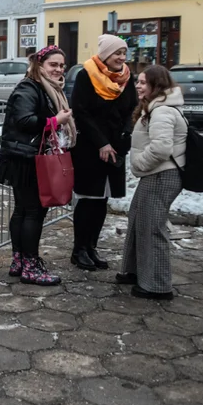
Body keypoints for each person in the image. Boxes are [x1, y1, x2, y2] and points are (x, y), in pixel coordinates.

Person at [0, 45, 73, 286]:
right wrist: (55, 121)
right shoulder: (29, 88)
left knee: (23, 210)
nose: (58, 69)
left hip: (26, 157)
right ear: (39, 65)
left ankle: (19, 260)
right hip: (27, 160)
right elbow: (24, 120)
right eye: (53, 65)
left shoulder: (45, 88)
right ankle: (30, 265)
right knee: (33, 213)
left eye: (61, 65)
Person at [70, 34, 137, 271]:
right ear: (105, 54)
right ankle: (79, 250)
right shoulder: (86, 75)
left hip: (115, 147)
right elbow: (81, 112)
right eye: (116, 53)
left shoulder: (127, 77)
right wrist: (101, 143)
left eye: (123, 53)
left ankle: (91, 247)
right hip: (90, 147)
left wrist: (124, 136)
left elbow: (130, 110)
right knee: (88, 199)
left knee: (103, 201)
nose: (121, 57)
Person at [120, 65, 187, 300]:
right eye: (137, 81)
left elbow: (160, 148)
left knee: (152, 228)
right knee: (138, 218)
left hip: (162, 174)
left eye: (142, 82)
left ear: (156, 85)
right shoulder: (156, 107)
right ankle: (135, 271)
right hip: (156, 174)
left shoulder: (162, 111)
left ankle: (157, 285)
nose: (138, 86)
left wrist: (138, 163)